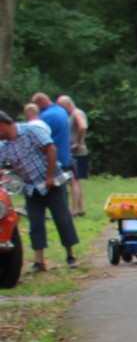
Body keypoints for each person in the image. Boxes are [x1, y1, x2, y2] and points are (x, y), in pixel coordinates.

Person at [0, 110, 80, 270]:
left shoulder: (31, 130)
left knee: (62, 220)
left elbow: (51, 149)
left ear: (2, 125)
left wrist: (49, 177)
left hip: (52, 183)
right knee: (35, 224)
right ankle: (39, 261)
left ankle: (70, 256)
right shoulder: (4, 146)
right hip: (31, 188)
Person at [57, 96, 87, 217]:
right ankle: (80, 208)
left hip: (76, 152)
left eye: (62, 107)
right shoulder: (74, 114)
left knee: (72, 180)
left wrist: (78, 142)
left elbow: (83, 126)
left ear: (68, 104)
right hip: (76, 151)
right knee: (76, 181)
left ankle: (74, 210)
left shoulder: (76, 113)